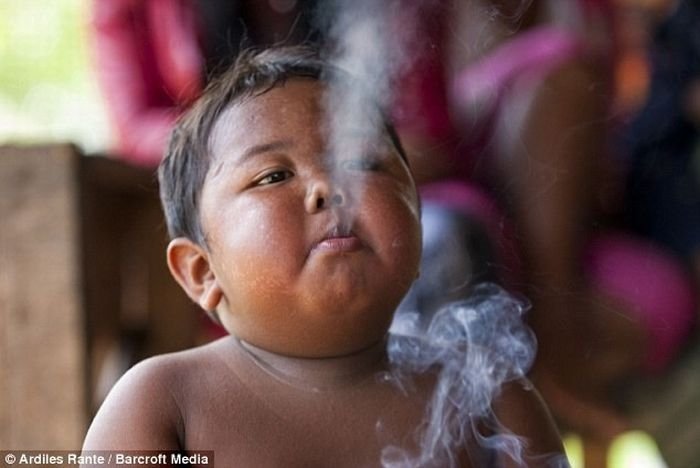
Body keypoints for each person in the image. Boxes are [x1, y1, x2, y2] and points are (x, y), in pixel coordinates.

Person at [81, 45, 567, 466]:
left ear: (416, 221)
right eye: (273, 176)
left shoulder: (492, 401)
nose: (329, 187)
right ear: (202, 271)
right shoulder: (163, 404)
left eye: (361, 162)